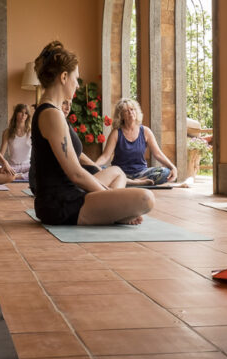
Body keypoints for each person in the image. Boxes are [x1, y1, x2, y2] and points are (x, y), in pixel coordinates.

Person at [30, 41, 154, 225]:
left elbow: (76, 163)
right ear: (64, 77)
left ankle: (116, 212)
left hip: (69, 194)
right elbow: (76, 174)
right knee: (145, 198)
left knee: (117, 172)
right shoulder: (51, 114)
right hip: (61, 204)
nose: (78, 85)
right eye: (76, 78)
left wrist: (111, 197)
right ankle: (117, 212)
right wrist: (110, 196)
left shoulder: (52, 111)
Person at [96, 99, 177, 186]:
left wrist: (173, 167)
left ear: (136, 111)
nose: (130, 112)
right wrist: (93, 165)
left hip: (141, 173)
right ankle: (133, 182)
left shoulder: (146, 131)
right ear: (121, 116)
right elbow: (105, 156)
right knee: (99, 170)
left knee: (165, 172)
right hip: (120, 173)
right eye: (126, 111)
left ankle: (129, 182)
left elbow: (157, 153)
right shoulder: (116, 133)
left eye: (132, 109)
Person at [0, 103, 32, 178]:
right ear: (16, 114)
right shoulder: (7, 132)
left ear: (28, 116)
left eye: (26, 113)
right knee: (0, 171)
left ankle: (18, 176)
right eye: (21, 112)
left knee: (40, 170)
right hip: (13, 166)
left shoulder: (32, 132)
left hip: (28, 166)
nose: (24, 115)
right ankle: (18, 175)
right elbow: (1, 153)